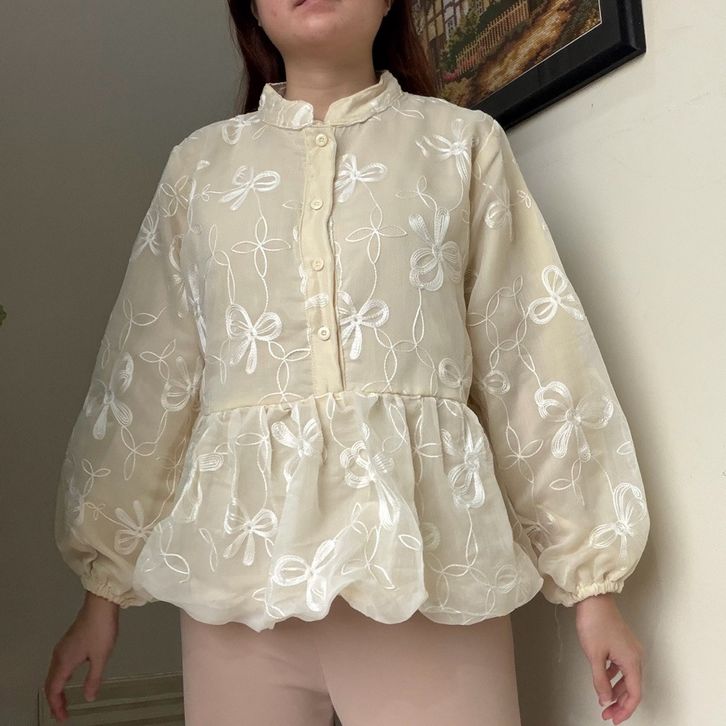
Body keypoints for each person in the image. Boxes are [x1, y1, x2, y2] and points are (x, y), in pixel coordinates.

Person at [45, 0, 651, 724]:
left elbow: (531, 356)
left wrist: (592, 588)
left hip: (428, 579)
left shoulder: (460, 146)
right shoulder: (200, 169)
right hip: (238, 591)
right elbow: (148, 375)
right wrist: (101, 593)